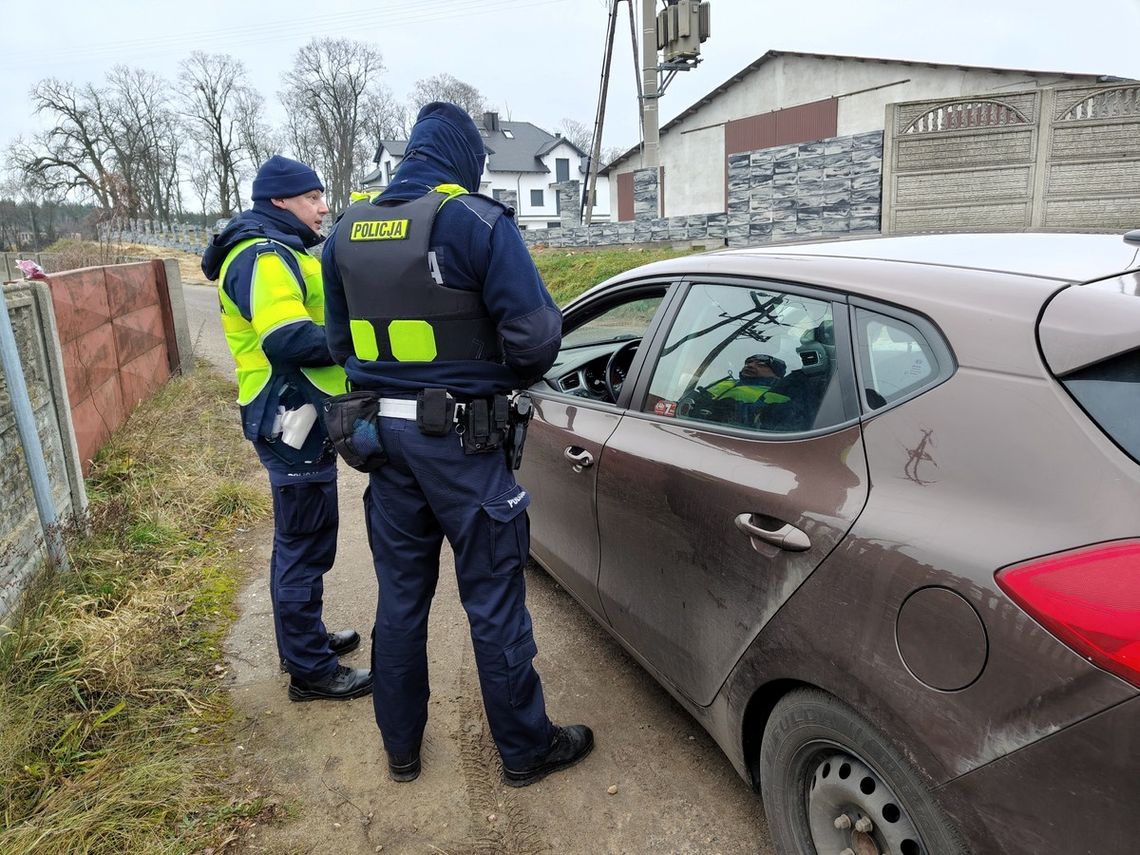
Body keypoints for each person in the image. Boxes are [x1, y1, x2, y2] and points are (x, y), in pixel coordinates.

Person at [321, 102, 592, 786]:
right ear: (464, 158)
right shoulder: (475, 221)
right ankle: (527, 749)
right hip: (467, 449)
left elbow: (336, 344)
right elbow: (536, 339)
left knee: (401, 601)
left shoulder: (346, 232)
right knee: (494, 604)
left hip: (384, 445)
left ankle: (401, 749)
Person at [201, 155, 371, 703]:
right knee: (305, 543)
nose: (323, 207)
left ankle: (303, 642)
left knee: (299, 540)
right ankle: (310, 671)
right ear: (279, 201)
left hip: (285, 414)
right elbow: (287, 340)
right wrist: (361, 341)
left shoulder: (277, 251)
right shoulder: (264, 255)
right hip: (290, 417)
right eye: (312, 197)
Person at [698, 353, 792, 426]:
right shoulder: (723, 382)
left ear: (777, 375)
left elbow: (766, 423)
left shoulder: (777, 395)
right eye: (749, 362)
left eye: (760, 365)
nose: (750, 365)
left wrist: (736, 409)